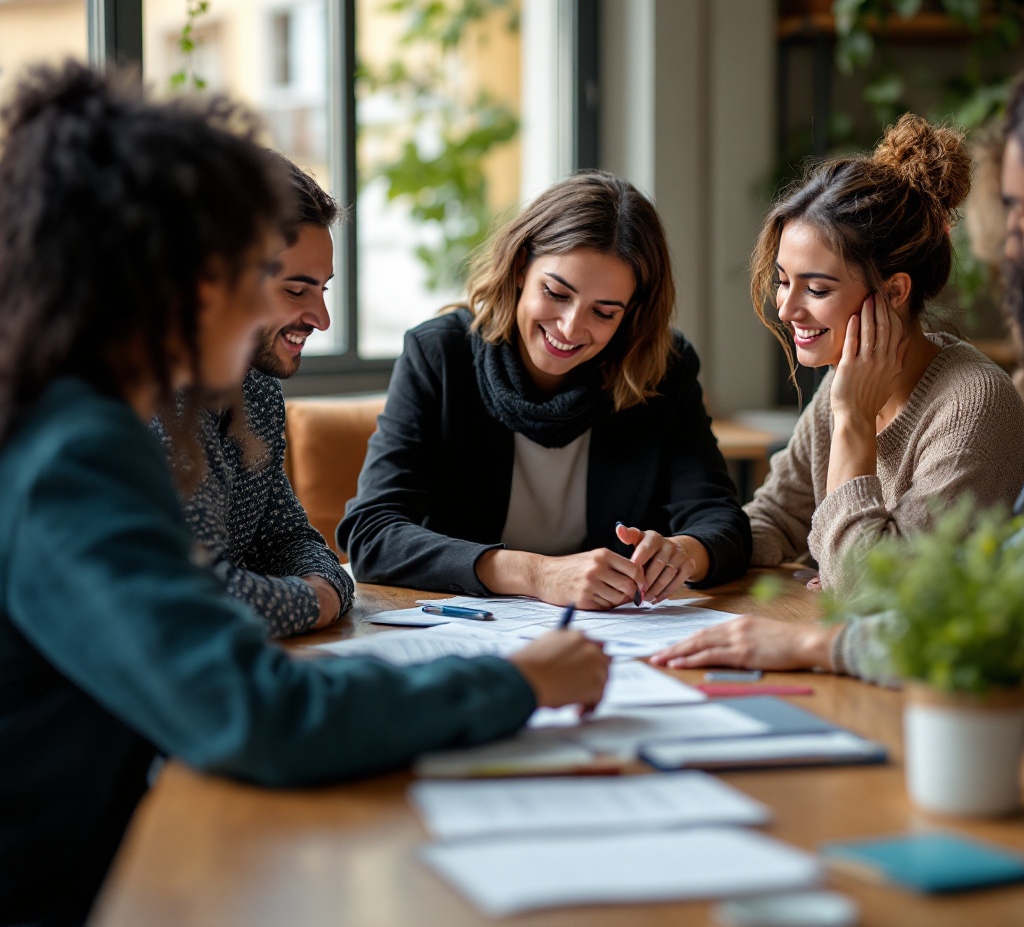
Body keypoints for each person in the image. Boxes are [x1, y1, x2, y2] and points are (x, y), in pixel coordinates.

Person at [0, 62, 609, 927]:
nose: (317, 319)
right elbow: (256, 712)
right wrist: (512, 683)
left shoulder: (70, 410)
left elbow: (265, 570)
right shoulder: (72, 452)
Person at [652, 105, 1024, 682]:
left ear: (894, 290)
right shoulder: (842, 383)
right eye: (782, 281)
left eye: (816, 288)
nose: (786, 308)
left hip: (932, 698)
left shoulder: (972, 405)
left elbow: (882, 598)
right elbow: (778, 517)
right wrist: (690, 552)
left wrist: (853, 421)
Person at [338, 171, 752, 610]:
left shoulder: (664, 369)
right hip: (465, 632)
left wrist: (683, 554)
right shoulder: (440, 354)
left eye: (604, 313)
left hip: (611, 639)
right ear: (520, 267)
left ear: (631, 316)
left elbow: (723, 524)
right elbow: (372, 534)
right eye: (556, 293)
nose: (571, 328)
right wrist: (537, 574)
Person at [152, 156, 351, 638]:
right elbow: (192, 600)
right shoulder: (147, 397)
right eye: (296, 290)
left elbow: (290, 540)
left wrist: (322, 590)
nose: (322, 318)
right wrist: (316, 599)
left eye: (322, 290)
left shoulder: (254, 393)